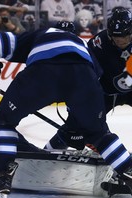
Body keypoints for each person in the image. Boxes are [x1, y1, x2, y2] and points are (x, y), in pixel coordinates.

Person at [0, 20, 132, 198]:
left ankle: (1, 179)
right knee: (99, 134)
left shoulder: (41, 34)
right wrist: (78, 123)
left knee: (5, 120)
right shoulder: (82, 46)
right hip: (83, 74)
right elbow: (92, 84)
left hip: (44, 71)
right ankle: (127, 168)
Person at [45, 9, 132, 149]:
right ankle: (49, 152)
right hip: (103, 92)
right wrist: (75, 100)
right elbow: (82, 71)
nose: (120, 40)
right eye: (116, 37)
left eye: (125, 36)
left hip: (129, 91)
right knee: (75, 126)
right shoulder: (99, 44)